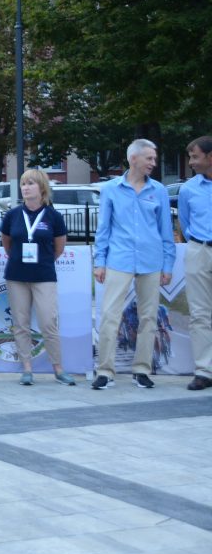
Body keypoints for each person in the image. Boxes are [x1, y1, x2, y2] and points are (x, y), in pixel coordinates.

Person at [93, 139, 175, 389]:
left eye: (154, 158)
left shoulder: (159, 190)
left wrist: (168, 265)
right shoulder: (111, 189)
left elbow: (166, 230)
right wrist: (99, 261)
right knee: (110, 315)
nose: (153, 163)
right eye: (149, 158)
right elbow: (103, 228)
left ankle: (142, 370)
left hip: (151, 261)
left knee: (148, 317)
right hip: (119, 259)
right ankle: (105, 371)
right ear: (133, 159)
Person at [0, 170, 76, 386]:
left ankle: (58, 369)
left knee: (48, 322)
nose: (25, 187)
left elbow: (58, 248)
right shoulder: (12, 215)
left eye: (30, 183)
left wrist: (43, 261)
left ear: (42, 188)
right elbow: (7, 243)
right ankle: (27, 369)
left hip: (44, 275)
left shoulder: (53, 216)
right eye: (23, 184)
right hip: (17, 275)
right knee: (21, 324)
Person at [179, 136, 212, 390]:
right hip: (199, 250)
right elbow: (185, 223)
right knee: (200, 313)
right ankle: (204, 370)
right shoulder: (188, 189)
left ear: (210, 157)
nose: (191, 162)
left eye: (195, 157)